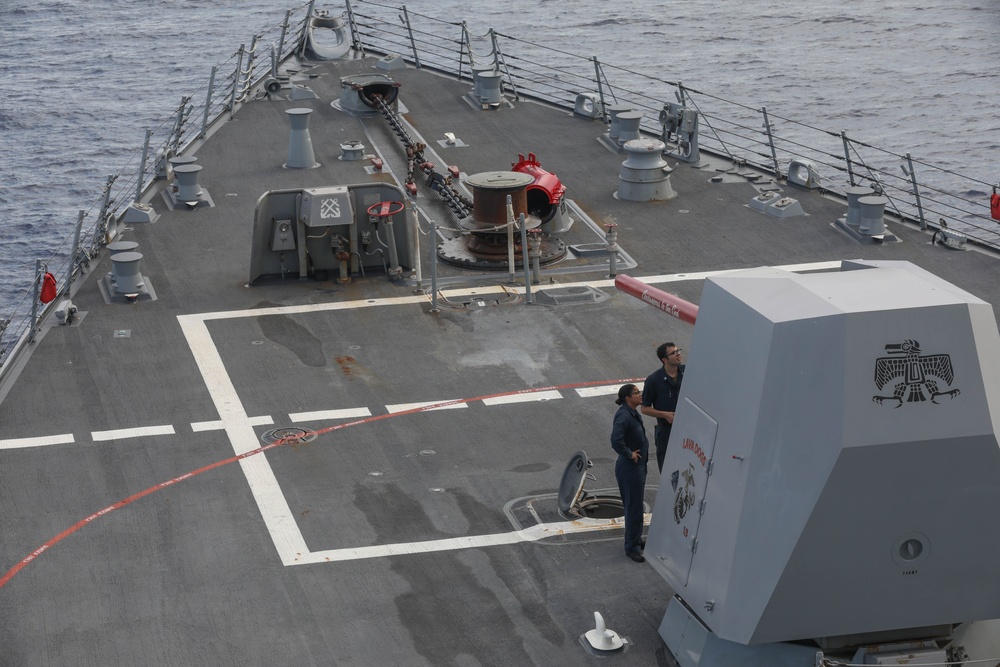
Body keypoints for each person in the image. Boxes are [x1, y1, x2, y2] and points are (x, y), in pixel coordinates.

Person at [611, 383, 649, 563]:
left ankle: (635, 539)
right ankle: (632, 547)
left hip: (637, 467)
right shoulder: (624, 416)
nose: (640, 395)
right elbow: (616, 440)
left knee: (636, 506)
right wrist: (629, 454)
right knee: (634, 508)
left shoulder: (631, 413)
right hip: (630, 469)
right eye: (636, 393)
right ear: (627, 398)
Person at [641, 342, 685, 473]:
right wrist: (665, 415)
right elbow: (645, 408)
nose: (678, 355)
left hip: (688, 428)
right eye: (674, 353)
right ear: (664, 359)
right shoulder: (654, 380)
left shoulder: (688, 372)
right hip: (666, 431)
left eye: (678, 351)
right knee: (668, 468)